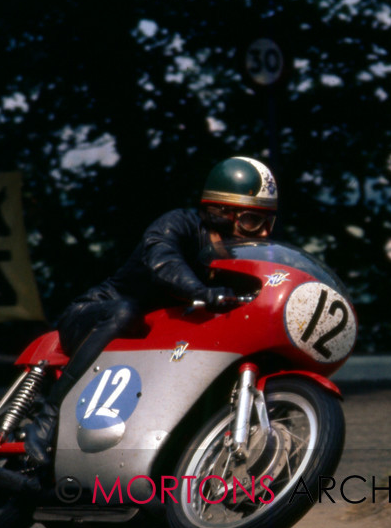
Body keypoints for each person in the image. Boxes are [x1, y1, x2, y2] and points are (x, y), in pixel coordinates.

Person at [23, 156, 279, 466]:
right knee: (125, 310)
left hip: (151, 348)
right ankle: (50, 416)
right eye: (253, 220)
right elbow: (163, 262)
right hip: (95, 315)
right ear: (222, 212)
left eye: (268, 222)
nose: (263, 233)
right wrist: (201, 292)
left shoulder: (238, 264)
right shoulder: (179, 224)